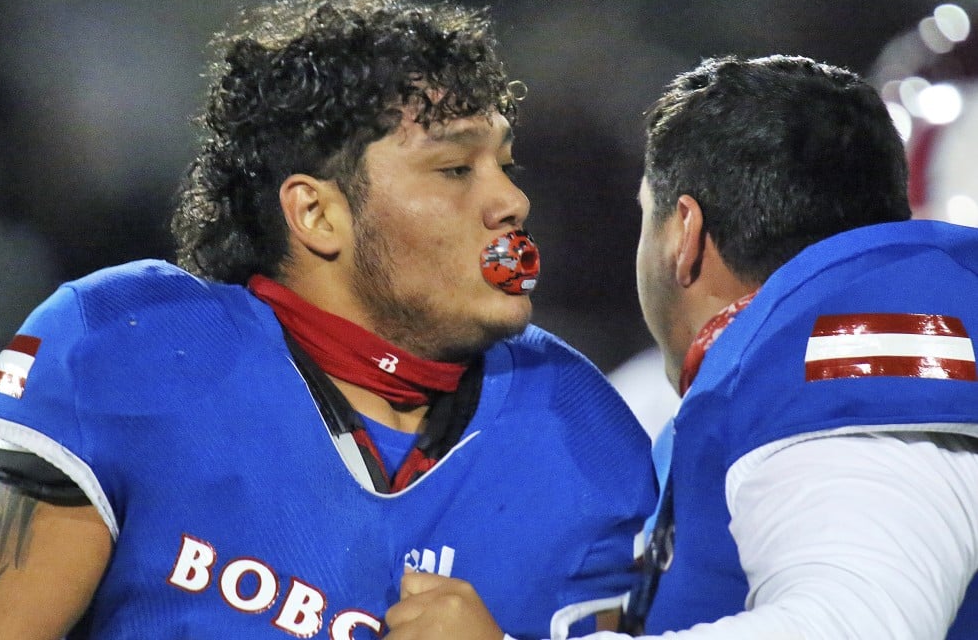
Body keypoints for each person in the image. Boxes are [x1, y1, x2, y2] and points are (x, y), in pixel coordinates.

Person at [0, 0, 656, 639]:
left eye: (505, 165)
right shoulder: (136, 347)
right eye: (454, 169)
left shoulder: (581, 430)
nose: (511, 201)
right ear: (317, 213)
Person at [384, 54, 978, 640]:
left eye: (649, 215)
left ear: (685, 235)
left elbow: (854, 626)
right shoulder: (778, 374)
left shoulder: (850, 363)